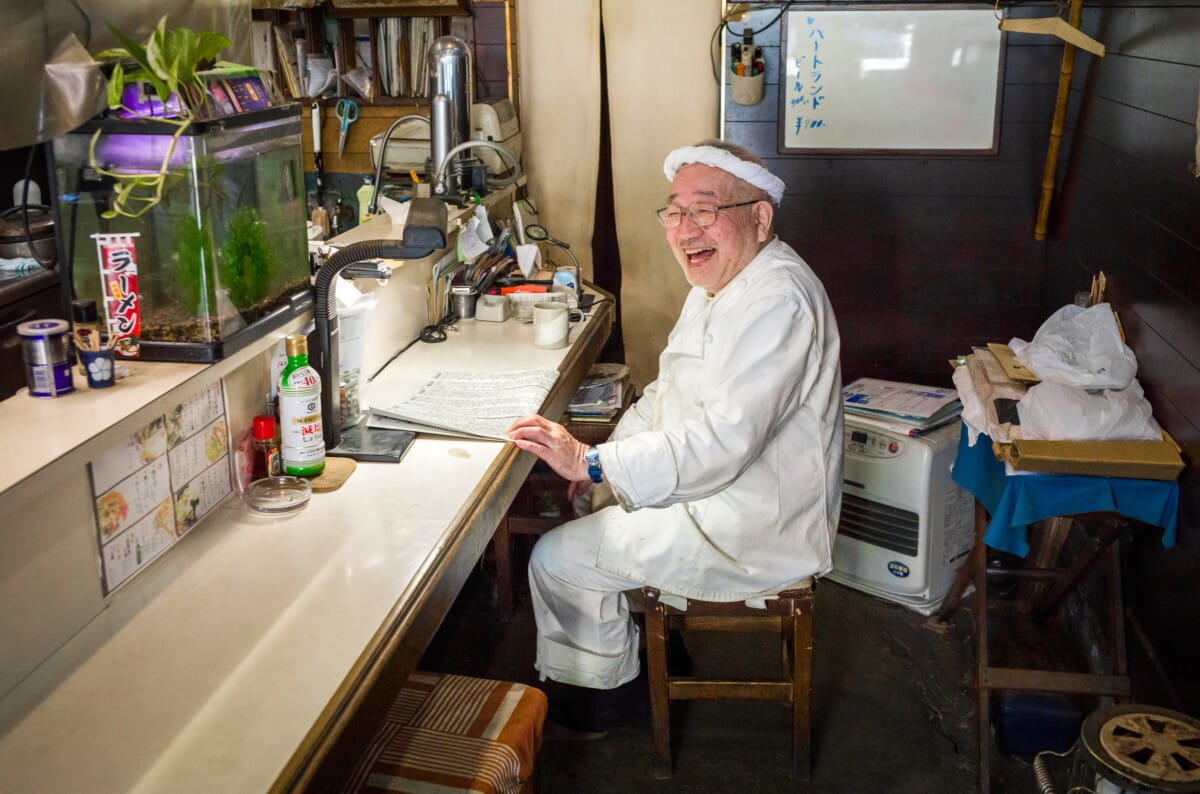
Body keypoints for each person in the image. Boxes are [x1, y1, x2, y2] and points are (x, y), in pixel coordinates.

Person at [507, 139, 843, 731]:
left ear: (760, 219)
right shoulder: (720, 283)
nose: (687, 230)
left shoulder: (778, 299)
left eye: (707, 210)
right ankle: (644, 651)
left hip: (753, 520)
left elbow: (722, 443)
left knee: (555, 558)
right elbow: (665, 394)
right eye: (676, 212)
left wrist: (590, 461)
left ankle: (613, 699)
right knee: (592, 509)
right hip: (720, 491)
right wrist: (602, 469)